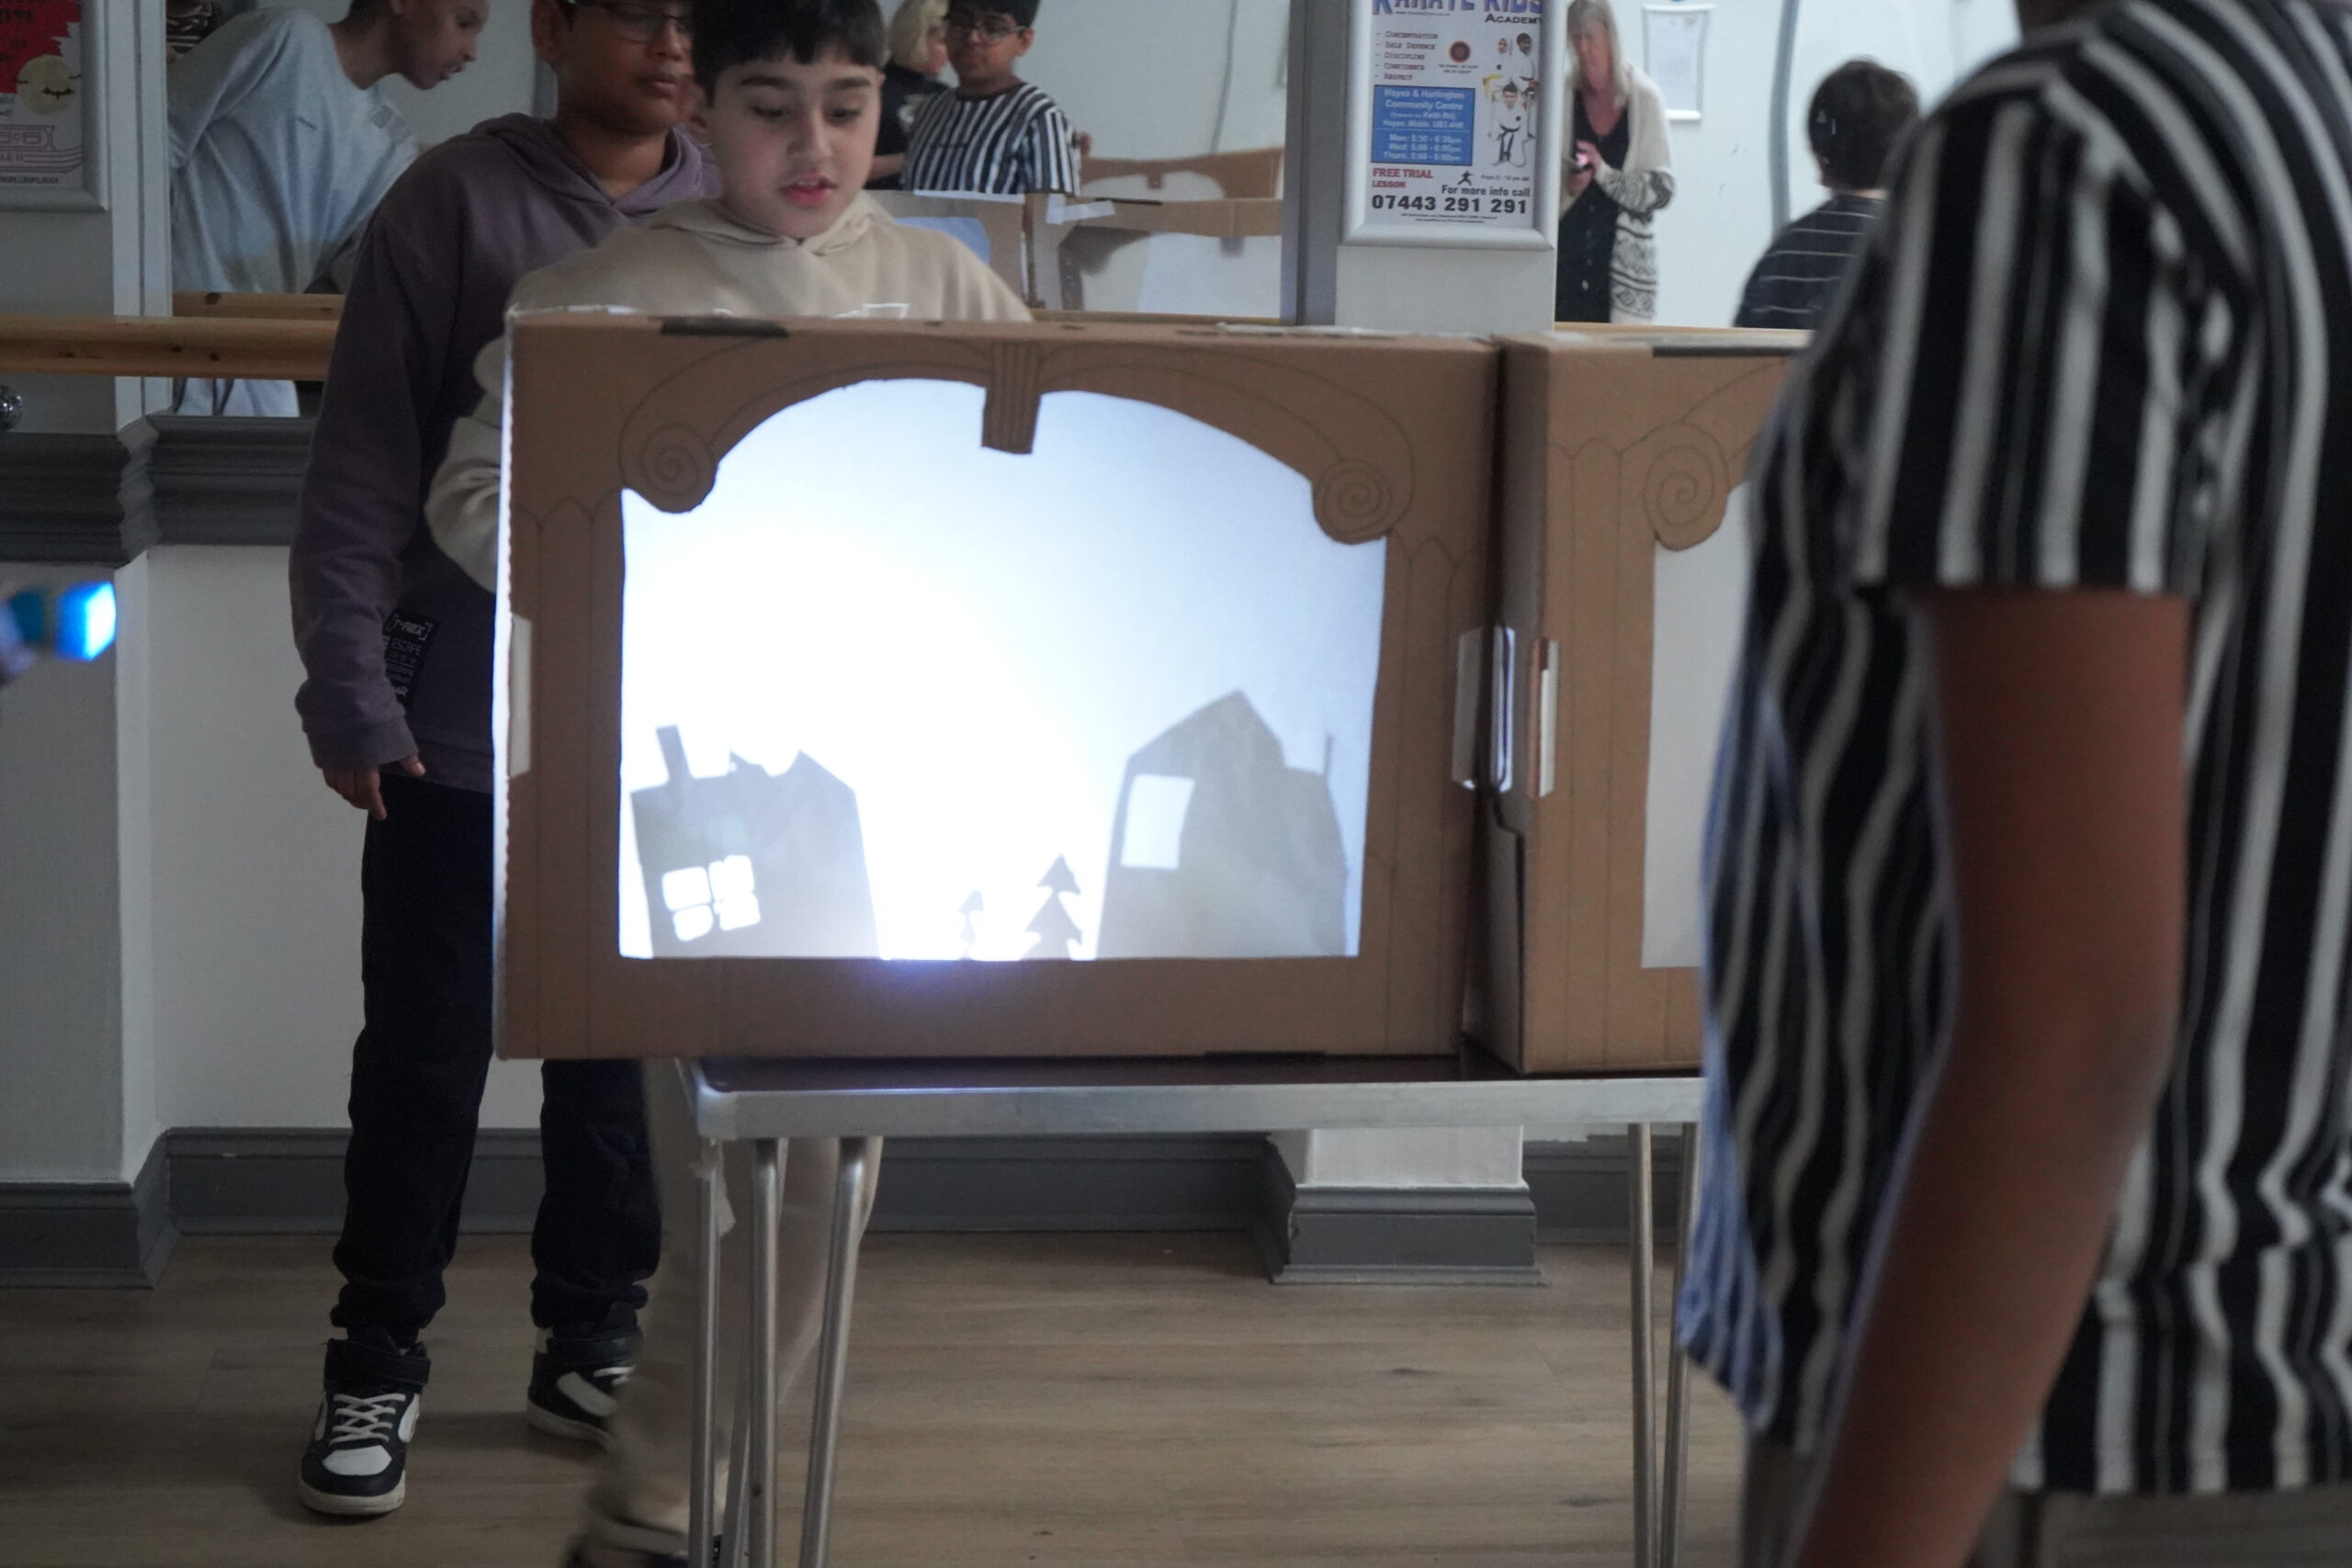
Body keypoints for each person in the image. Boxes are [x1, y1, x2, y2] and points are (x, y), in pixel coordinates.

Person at [1681, 0, 2352, 1564]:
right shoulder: (2314, 111)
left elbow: (2071, 1028)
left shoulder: (2063, 159)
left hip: (2047, 1409)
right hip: (2278, 1352)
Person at [420, 0, 1027, 1560]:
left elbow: (1037, 494)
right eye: (772, 105)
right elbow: (474, 499)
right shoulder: (600, 292)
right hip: (682, 776)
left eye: (847, 104)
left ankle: (680, 1500)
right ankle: (661, 1503)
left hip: (896, 781)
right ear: (707, 106)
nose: (813, 144)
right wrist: (656, 561)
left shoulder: (951, 285)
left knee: (824, 1174)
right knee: (736, 1166)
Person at [286, 0, 716, 1520]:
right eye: (635, 11)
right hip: (459, 730)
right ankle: (375, 1354)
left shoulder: (738, 214)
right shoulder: (453, 202)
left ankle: (589, 1334)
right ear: (554, 24)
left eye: (695, 15)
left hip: (653, 732)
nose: (671, 44)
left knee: (621, 1061)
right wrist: (349, 686)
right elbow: (361, 467)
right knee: (425, 1054)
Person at [168, 0, 486, 416]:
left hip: (254, 353)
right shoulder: (286, 39)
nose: (471, 51)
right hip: (166, 319)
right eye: (463, 23)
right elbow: (161, 135)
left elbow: (370, 275)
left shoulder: (392, 145)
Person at [1733, 60, 1918, 331]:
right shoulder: (1918, 243)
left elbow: (1743, 343)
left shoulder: (1786, 249)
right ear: (1911, 152)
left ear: (1819, 157)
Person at [1554, 0, 1671, 324]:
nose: (1583, 49)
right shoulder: (1563, 94)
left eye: (1590, 37)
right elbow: (1544, 187)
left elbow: (1661, 192)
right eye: (1575, 39)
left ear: (1610, 38)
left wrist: (1603, 172)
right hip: (1565, 264)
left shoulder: (1645, 98)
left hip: (1622, 276)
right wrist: (1569, 184)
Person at [899, 0, 1079, 196]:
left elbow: (1056, 211)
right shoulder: (930, 112)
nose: (972, 38)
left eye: (992, 28)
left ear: (1023, 41)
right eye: (960, 23)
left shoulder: (1039, 118)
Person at [868, 0, 948, 188]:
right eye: (943, 42)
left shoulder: (945, 95)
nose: (952, 51)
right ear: (918, 38)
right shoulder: (873, 89)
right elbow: (843, 167)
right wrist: (913, 158)